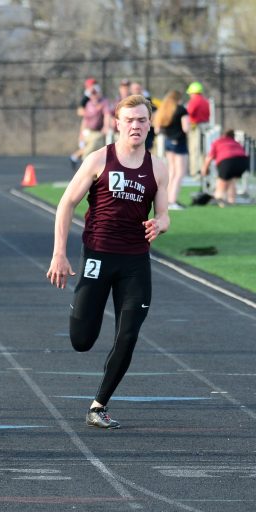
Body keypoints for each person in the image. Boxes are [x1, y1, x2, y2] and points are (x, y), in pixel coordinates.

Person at [46, 94, 170, 430]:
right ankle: (85, 311)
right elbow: (66, 204)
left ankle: (98, 405)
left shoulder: (157, 166)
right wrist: (60, 252)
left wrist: (159, 224)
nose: (136, 125)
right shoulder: (99, 159)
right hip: (98, 256)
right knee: (82, 340)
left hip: (135, 261)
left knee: (128, 334)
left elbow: (164, 213)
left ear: (149, 124)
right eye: (129, 120)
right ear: (117, 123)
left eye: (142, 120)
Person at [152, 90, 189, 210]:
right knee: (180, 172)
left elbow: (157, 129)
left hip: (168, 142)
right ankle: (173, 200)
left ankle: (166, 199)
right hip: (179, 142)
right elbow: (186, 128)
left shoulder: (163, 109)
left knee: (172, 171)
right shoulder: (181, 110)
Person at [201, 129, 249, 206]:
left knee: (221, 184)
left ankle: (220, 203)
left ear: (223, 135)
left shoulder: (218, 141)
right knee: (231, 181)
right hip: (243, 162)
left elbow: (209, 157)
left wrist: (204, 169)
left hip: (227, 162)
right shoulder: (236, 142)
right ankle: (231, 201)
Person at [185, 81, 211, 177]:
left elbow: (189, 113)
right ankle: (203, 169)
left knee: (194, 149)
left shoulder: (194, 101)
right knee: (203, 150)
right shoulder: (205, 101)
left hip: (195, 127)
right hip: (205, 126)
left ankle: (194, 171)